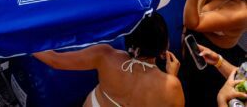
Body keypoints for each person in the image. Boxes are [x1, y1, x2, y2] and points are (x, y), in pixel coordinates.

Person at [34, 12, 184, 107]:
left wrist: (19, 39)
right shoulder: (172, 87)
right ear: (164, 45)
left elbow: (54, 60)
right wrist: (170, 76)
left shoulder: (105, 56)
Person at [181, 0, 247, 106]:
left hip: (213, 61)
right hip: (199, 45)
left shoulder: (241, 12)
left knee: (197, 96)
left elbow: (193, 23)